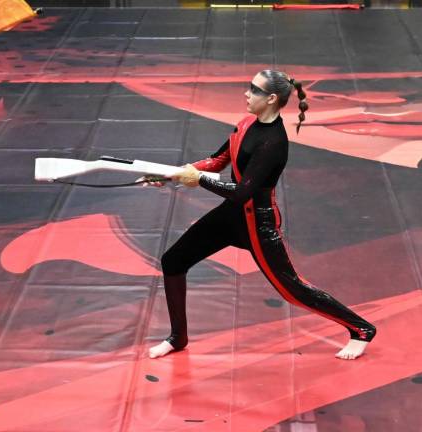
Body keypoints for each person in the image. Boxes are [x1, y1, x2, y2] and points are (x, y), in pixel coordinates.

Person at [146, 70, 376, 360]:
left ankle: (361, 329)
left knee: (291, 289)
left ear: (271, 98)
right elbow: (217, 162)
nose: (246, 93)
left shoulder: (274, 143)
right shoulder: (245, 124)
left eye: (254, 90)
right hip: (232, 215)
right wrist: (172, 174)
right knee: (173, 261)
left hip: (258, 222)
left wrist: (196, 179)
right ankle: (178, 338)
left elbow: (243, 192)